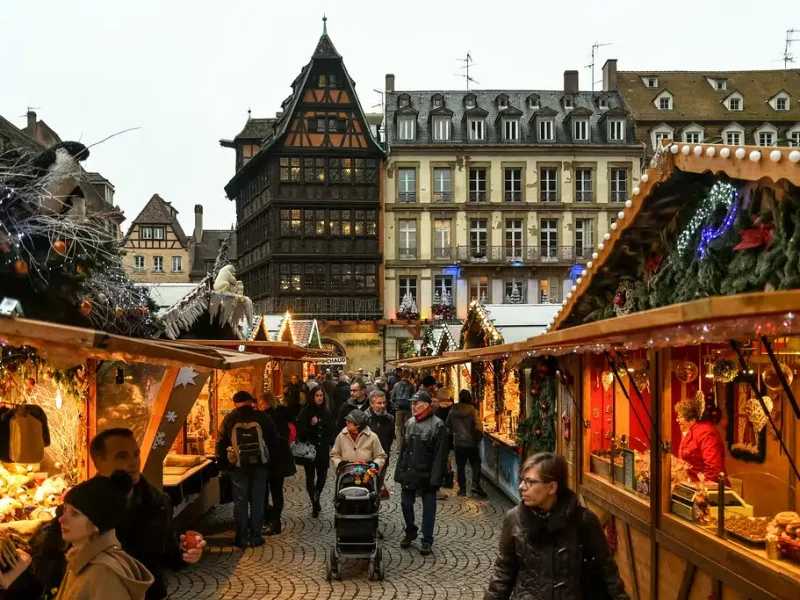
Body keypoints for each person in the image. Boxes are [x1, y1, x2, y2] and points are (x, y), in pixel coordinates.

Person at [485, 453, 629, 600]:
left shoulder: (583, 521)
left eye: (530, 482)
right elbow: (503, 571)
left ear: (552, 488)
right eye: (523, 480)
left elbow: (607, 570)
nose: (522, 487)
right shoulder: (514, 519)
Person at [90, 428, 205, 600]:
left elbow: (167, 556)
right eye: (122, 456)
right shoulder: (82, 507)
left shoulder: (157, 502)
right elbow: (55, 564)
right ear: (99, 462)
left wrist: (185, 554)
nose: (133, 463)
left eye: (136, 454)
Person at [55, 471, 154, 600]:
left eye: (75, 513)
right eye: (64, 510)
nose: (61, 519)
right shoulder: (80, 559)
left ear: (96, 524)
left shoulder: (104, 572)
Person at [216, 391, 278, 548]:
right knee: (258, 501)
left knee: (240, 502)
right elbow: (274, 439)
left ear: (235, 403)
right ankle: (256, 537)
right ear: (250, 401)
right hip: (260, 466)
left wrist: (223, 465)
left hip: (238, 467)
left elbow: (221, 442)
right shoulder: (262, 417)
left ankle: (242, 537)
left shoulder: (230, 419)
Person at [394, 390, 449, 556]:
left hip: (427, 474)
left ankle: (427, 540)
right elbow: (404, 449)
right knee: (406, 504)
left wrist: (436, 479)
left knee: (429, 509)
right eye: (412, 403)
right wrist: (399, 472)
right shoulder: (410, 423)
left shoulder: (438, 425)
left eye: (416, 403)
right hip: (410, 472)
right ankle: (411, 531)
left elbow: (440, 455)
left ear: (425, 405)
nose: (413, 406)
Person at [257, 391, 298, 536]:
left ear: (265, 403)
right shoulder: (282, 415)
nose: (259, 406)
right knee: (277, 491)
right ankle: (275, 522)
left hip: (270, 460)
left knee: (264, 491)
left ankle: (271, 521)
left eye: (261, 403)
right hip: (281, 459)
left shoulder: (265, 418)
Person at [296, 387, 335, 518]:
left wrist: (332, 446)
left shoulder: (327, 412)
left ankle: (317, 496)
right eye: (317, 395)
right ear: (312, 397)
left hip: (323, 450)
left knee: (322, 478)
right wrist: (311, 426)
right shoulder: (305, 412)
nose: (319, 398)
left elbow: (330, 431)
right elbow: (300, 432)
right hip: (310, 451)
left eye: (321, 395)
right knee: (310, 478)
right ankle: (314, 502)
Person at [675, 398, 728, 484]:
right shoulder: (689, 432)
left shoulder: (706, 433)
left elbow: (713, 469)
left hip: (708, 491)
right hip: (693, 487)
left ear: (692, 419)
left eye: (680, 417)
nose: (677, 420)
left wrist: (700, 488)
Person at [447, 389, 488, 498]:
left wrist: (455, 432)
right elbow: (478, 426)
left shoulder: (453, 409)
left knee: (460, 465)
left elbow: (448, 424)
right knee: (475, 462)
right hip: (471, 442)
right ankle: (475, 484)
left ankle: (462, 489)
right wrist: (478, 438)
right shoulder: (472, 410)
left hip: (458, 442)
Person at [365, 390, 395, 506]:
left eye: (384, 403)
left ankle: (375, 505)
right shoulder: (364, 418)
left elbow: (390, 437)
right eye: (379, 403)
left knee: (378, 483)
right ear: (371, 404)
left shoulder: (389, 419)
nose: (382, 406)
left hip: (382, 457)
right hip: (366, 457)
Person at [391, 370, 416, 447]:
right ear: (409, 376)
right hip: (407, 409)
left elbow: (392, 397)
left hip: (398, 409)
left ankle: (399, 446)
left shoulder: (396, 385)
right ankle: (405, 445)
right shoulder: (411, 385)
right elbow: (413, 397)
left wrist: (395, 404)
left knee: (398, 428)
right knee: (406, 427)